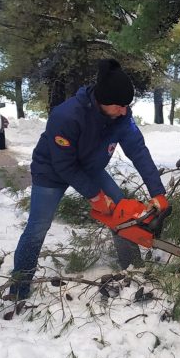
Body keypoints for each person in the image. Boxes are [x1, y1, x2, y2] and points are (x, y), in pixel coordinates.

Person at [11, 58, 169, 299]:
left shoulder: (122, 115)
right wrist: (95, 195)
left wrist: (157, 191)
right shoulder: (66, 116)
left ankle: (132, 269)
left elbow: (137, 149)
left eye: (127, 105)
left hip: (91, 166)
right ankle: (19, 286)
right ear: (102, 100)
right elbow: (64, 164)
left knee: (121, 211)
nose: (124, 110)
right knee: (38, 227)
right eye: (119, 106)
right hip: (51, 170)